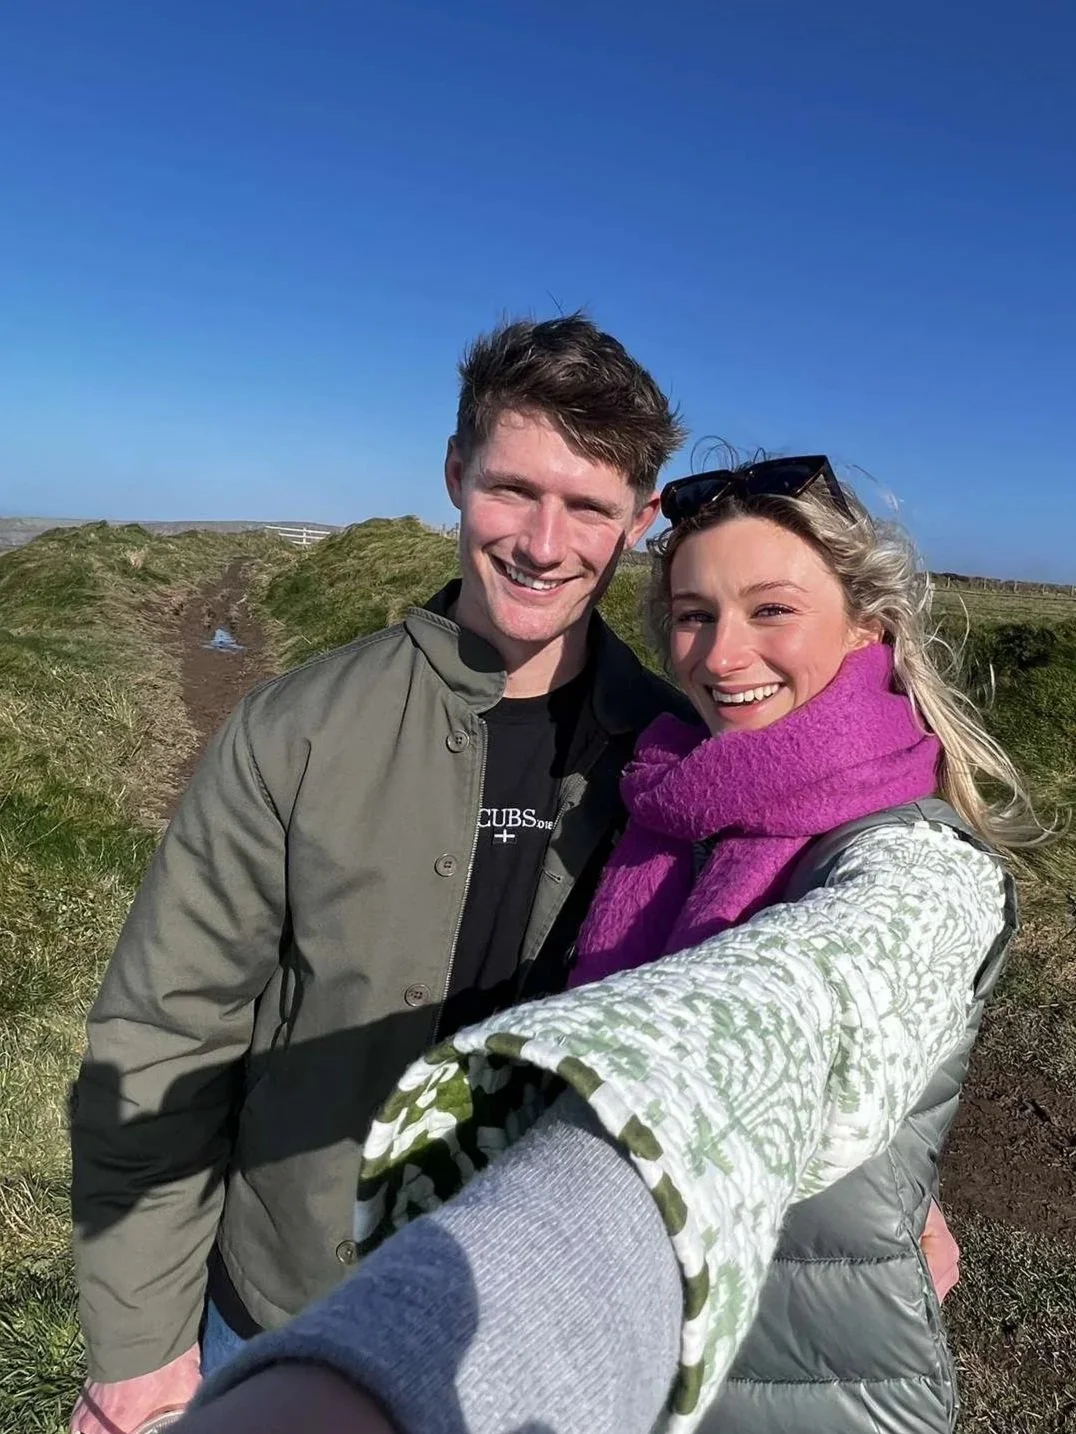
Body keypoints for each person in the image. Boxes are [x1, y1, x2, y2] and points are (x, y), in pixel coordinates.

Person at [175, 452, 1036, 1434]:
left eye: (769, 611)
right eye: (692, 614)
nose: (718, 655)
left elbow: (799, 998)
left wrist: (368, 1377)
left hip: (790, 1384)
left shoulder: (916, 864)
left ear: (866, 622)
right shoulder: (674, 792)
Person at [67, 313, 690, 1434]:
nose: (543, 543)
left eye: (589, 507)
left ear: (639, 522)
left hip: (536, 1323)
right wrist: (138, 1343)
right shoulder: (293, 731)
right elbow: (165, 1033)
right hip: (284, 1310)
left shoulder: (672, 753)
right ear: (453, 474)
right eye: (511, 489)